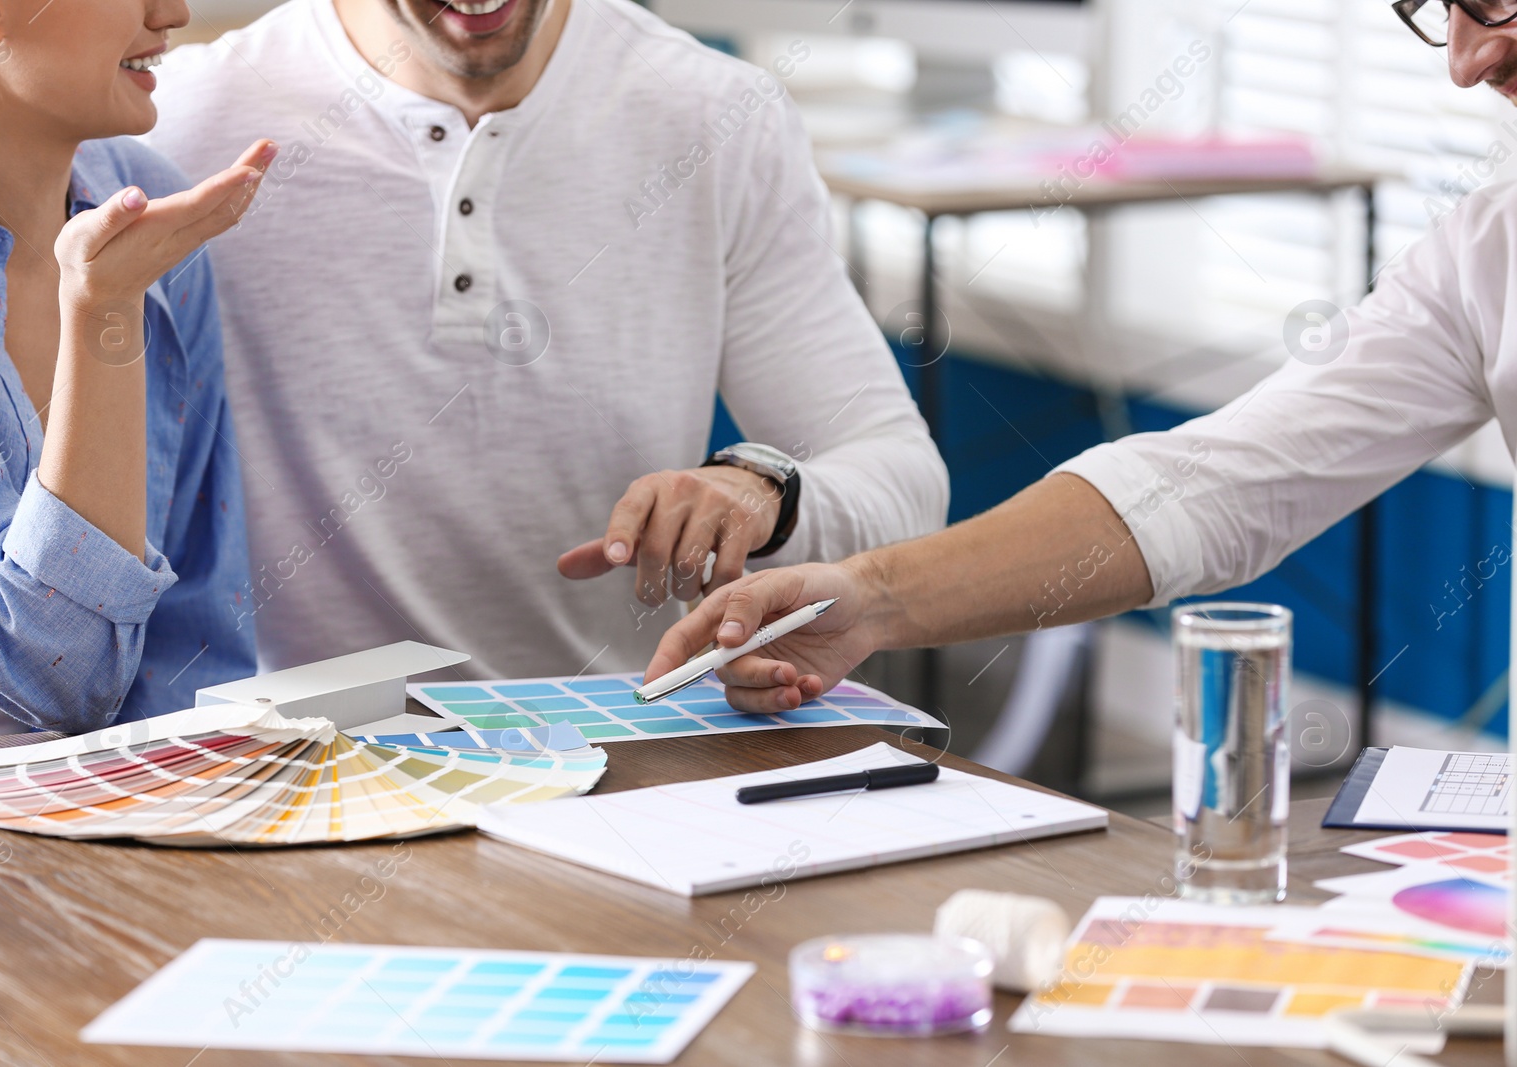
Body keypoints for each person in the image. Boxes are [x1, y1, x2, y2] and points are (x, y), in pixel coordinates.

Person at [644, 0, 1517, 712]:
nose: (1467, 61)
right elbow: (1219, 485)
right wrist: (867, 597)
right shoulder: (1489, 250)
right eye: (1441, 10)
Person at [144, 0, 949, 679]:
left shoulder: (717, 116)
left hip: (607, 764)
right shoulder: (176, 128)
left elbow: (901, 478)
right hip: (283, 778)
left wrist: (763, 493)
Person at [0, 0, 273, 740]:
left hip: (132, 823)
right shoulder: (126, 258)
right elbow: (43, 684)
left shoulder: (143, 195)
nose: (172, 12)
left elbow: (195, 644)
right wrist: (104, 309)